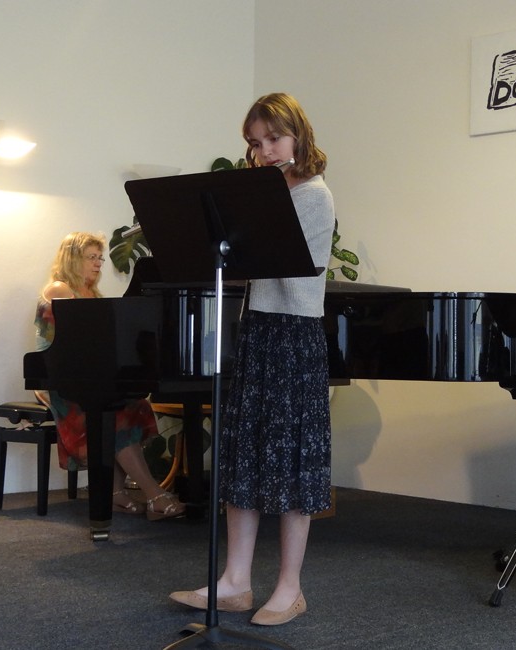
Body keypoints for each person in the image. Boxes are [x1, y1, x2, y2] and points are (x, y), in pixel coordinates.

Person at [169, 93, 334, 626]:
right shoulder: (263, 191)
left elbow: (283, 264)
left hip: (295, 335)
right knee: (243, 456)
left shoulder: (313, 195)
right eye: (256, 143)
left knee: (291, 463)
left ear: (298, 135)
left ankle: (290, 588)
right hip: (259, 330)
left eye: (274, 139)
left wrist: (246, 224)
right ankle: (235, 582)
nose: (266, 151)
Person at [33, 232, 184, 521]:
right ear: (72, 258)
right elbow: (74, 343)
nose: (98, 263)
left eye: (100, 258)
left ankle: (114, 494)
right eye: (91, 257)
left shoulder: (93, 294)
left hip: (89, 376)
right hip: (61, 381)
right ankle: (155, 495)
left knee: (134, 406)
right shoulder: (60, 289)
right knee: (112, 414)